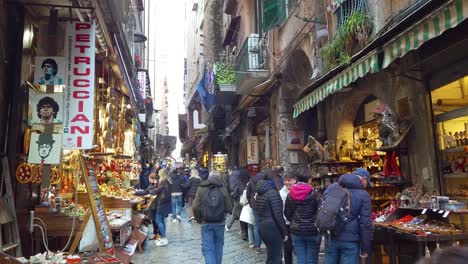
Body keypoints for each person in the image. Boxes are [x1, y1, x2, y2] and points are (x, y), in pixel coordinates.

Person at [323, 172, 372, 264]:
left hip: (331, 236)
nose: (366, 185)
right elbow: (365, 224)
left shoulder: (331, 189)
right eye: (367, 182)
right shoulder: (363, 195)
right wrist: (365, 248)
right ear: (362, 180)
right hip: (350, 240)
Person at [193, 170, 233, 264]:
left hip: (206, 222)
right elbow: (229, 207)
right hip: (220, 222)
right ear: (218, 177)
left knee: (208, 248)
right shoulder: (222, 187)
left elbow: (195, 206)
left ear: (209, 177)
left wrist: (199, 219)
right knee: (218, 246)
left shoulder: (201, 188)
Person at [284, 171, 321, 264]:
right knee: (311, 257)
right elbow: (319, 211)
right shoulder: (315, 194)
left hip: (297, 229)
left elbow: (287, 212)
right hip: (312, 229)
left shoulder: (290, 194)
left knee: (300, 256)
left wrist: (294, 220)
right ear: (309, 180)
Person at [256, 169, 288, 264]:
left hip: (263, 226)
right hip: (272, 228)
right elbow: (278, 215)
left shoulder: (260, 193)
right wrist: (284, 232)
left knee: (271, 255)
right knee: (276, 257)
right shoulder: (272, 193)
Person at [225, 168, 250, 240]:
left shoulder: (238, 181)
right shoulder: (249, 181)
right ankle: (246, 234)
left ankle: (244, 233)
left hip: (239, 200)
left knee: (238, 215)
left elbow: (233, 189)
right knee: (243, 216)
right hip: (246, 202)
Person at [133, 172, 160, 240]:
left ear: (153, 179)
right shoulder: (151, 185)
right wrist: (135, 193)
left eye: (149, 178)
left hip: (157, 204)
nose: (148, 180)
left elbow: (153, 194)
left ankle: (159, 234)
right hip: (152, 205)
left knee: (158, 220)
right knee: (153, 219)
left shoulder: (158, 185)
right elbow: (146, 192)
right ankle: (155, 233)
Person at [280, 171, 297, 264]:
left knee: (298, 247)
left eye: (289, 180)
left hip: (297, 223)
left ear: (294, 180)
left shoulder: (300, 190)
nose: (287, 182)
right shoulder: (281, 193)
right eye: (285, 180)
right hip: (286, 224)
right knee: (287, 247)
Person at [246, 170, 265, 253]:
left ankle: (258, 246)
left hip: (255, 205)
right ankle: (266, 243)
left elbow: (248, 194)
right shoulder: (265, 180)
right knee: (266, 223)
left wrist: (251, 203)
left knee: (257, 225)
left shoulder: (251, 181)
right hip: (264, 204)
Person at [153, 168, 172, 246]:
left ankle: (164, 238)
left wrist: (152, 189)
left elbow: (156, 191)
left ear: (162, 174)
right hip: (166, 203)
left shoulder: (163, 182)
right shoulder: (168, 181)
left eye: (160, 173)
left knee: (158, 220)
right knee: (162, 220)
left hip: (161, 203)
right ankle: (163, 237)